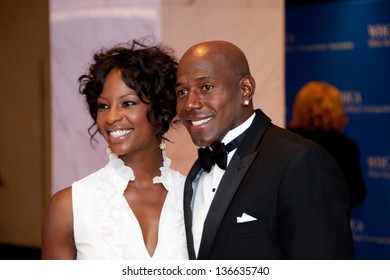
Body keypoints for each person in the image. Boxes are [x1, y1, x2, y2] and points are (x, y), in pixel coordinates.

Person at [175, 40, 355, 259]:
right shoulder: (197, 171)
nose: (189, 104)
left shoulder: (299, 162)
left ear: (245, 89)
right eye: (182, 91)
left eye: (206, 87)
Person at [41, 40, 188, 260]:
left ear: (163, 110)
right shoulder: (68, 207)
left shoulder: (196, 198)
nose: (111, 117)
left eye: (127, 103)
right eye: (103, 106)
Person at [288, 81, 366, 208]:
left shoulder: (284, 140)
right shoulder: (346, 146)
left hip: (290, 224)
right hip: (331, 223)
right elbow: (357, 194)